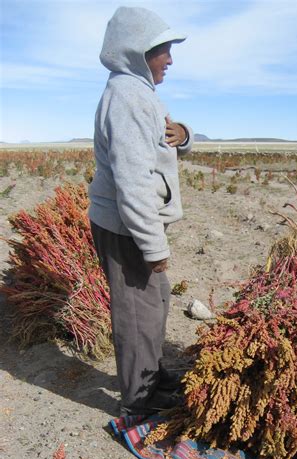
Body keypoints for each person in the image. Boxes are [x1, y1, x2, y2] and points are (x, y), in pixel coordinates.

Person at [88, 6, 193, 416]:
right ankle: (138, 400)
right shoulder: (127, 97)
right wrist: (153, 244)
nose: (170, 58)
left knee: (155, 301)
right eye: (162, 49)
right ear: (136, 51)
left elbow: (159, 143)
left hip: (133, 222)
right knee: (136, 313)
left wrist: (183, 136)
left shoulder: (141, 91)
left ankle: (151, 373)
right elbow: (132, 181)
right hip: (126, 225)